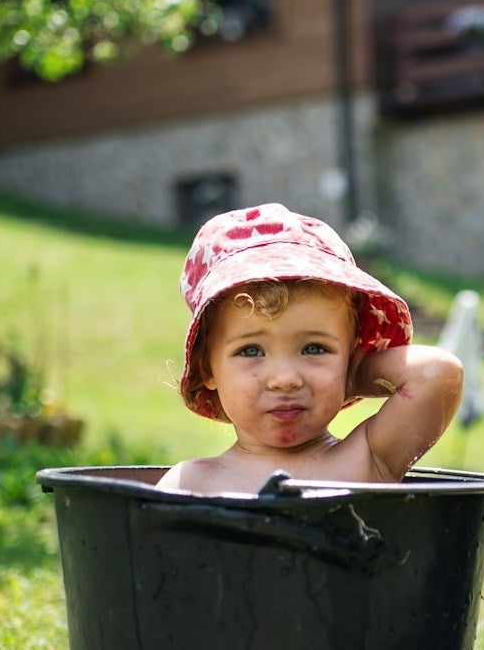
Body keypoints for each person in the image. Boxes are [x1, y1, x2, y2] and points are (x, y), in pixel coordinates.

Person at [158, 203, 463, 494]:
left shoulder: (368, 460)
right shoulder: (193, 482)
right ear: (207, 368)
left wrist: (351, 373)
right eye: (251, 351)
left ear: (350, 353)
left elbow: (437, 373)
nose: (286, 378)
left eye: (315, 349)